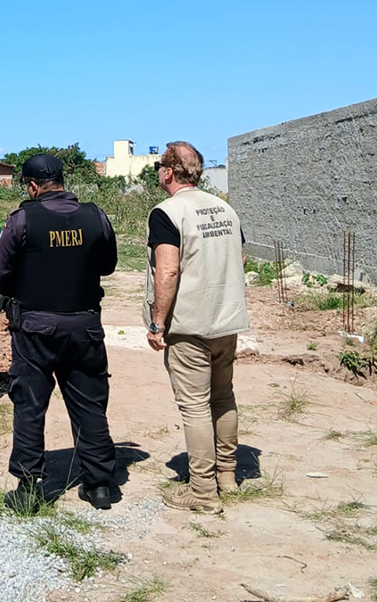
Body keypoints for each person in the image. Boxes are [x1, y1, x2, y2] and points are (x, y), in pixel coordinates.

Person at [0, 154, 118, 512]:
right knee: (90, 405)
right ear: (62, 180)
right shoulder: (95, 216)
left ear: (32, 186)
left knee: (30, 407)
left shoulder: (22, 220)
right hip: (84, 327)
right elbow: (108, 265)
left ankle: (29, 489)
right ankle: (99, 485)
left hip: (35, 330)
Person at [145, 142, 249, 515]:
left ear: (169, 171)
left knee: (194, 406)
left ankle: (203, 491)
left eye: (159, 165)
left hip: (189, 325)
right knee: (223, 397)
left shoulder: (167, 213)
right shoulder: (225, 208)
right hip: (226, 321)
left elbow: (168, 269)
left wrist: (158, 322)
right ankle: (227, 477)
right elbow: (240, 258)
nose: (158, 171)